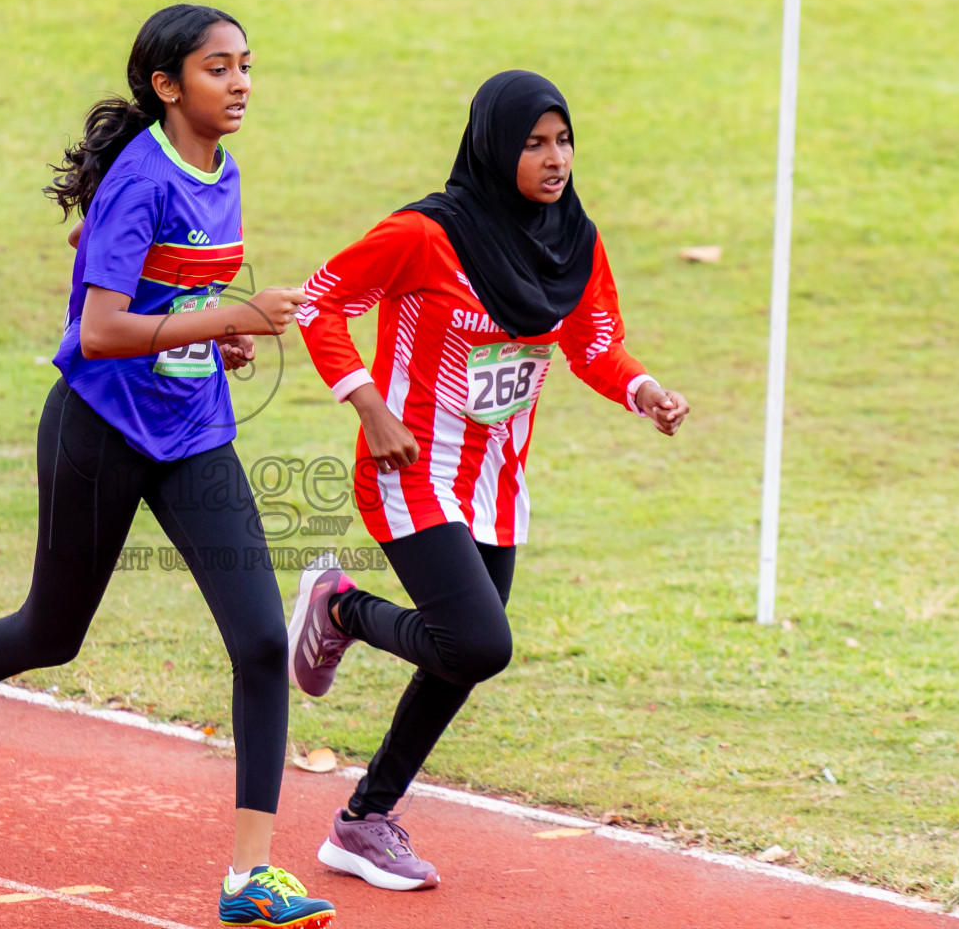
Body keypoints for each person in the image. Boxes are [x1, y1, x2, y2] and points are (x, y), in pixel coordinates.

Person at [0, 4, 335, 928]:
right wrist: (230, 319)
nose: (240, 84)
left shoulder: (221, 169)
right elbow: (102, 330)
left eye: (246, 65)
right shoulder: (143, 177)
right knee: (51, 631)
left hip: (193, 432)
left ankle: (249, 877)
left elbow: (165, 282)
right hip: (101, 430)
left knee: (263, 642)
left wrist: (212, 337)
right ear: (166, 85)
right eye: (218, 69)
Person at [287, 70, 690, 892]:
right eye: (534, 144)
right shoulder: (423, 235)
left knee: (458, 659)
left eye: (564, 141)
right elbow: (321, 304)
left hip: (495, 482)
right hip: (409, 468)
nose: (555, 159)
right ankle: (338, 608)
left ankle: (363, 822)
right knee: (478, 643)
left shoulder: (572, 240)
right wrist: (368, 405)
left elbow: (591, 341)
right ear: (494, 147)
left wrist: (643, 389)